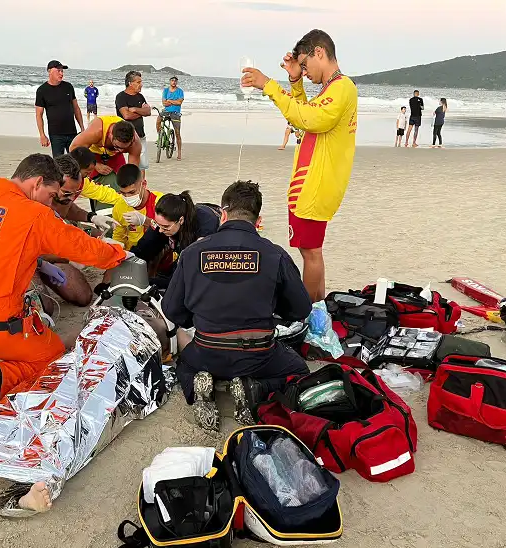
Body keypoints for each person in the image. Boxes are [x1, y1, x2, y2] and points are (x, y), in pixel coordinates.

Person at [0, 154, 126, 428]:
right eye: (51, 195)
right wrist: (117, 253)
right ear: (37, 183)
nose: (51, 203)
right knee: (51, 355)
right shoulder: (33, 215)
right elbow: (84, 249)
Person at [162, 181, 312, 431]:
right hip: (259, 355)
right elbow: (300, 309)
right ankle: (256, 387)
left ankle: (197, 386)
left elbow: (172, 310)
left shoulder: (192, 253)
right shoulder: (274, 254)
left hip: (208, 351)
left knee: (185, 365)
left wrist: (194, 318)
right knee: (298, 371)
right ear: (258, 219)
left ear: (222, 214)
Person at [241, 28, 358, 302]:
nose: (305, 71)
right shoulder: (332, 89)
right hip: (312, 181)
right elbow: (304, 119)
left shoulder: (342, 87)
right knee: (312, 250)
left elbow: (307, 119)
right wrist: (294, 81)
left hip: (316, 184)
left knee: (311, 252)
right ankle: (319, 309)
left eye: (305, 65)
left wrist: (268, 84)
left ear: (320, 52)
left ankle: (308, 313)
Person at [46, 153, 121, 306]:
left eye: (75, 193)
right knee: (51, 306)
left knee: (102, 238)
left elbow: (68, 206)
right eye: (67, 193)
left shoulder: (67, 192)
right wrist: (68, 257)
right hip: (41, 254)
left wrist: (92, 217)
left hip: (60, 236)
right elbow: (28, 250)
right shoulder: (34, 203)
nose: (71, 197)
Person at [130, 191, 221, 289]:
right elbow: (143, 247)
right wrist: (128, 258)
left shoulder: (205, 226)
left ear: (181, 220)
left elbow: (185, 274)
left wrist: (148, 283)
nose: (160, 230)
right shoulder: (164, 223)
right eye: (158, 224)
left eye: (165, 227)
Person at [68, 116, 142, 193]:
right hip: (92, 154)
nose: (121, 150)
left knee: (123, 183)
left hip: (115, 155)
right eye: (117, 146)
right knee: (93, 185)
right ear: (111, 135)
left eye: (125, 148)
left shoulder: (135, 144)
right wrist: (96, 164)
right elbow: (74, 149)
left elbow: (132, 170)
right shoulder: (96, 131)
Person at [35, 60, 84, 157]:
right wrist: (42, 135)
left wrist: (82, 128)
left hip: (72, 132)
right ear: (49, 71)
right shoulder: (42, 90)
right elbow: (39, 115)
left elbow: (76, 108)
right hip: (56, 134)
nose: (61, 73)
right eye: (58, 70)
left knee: (76, 161)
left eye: (62, 71)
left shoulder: (68, 87)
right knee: (58, 162)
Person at [111, 164, 164, 249]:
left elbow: (169, 232)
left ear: (144, 184)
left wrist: (145, 221)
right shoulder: (119, 207)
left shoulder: (160, 202)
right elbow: (119, 237)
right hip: (133, 254)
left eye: (132, 192)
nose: (127, 197)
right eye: (123, 193)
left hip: (160, 252)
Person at [115, 71, 151, 172]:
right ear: (130, 83)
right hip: (124, 136)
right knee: (123, 165)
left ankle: (141, 186)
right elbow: (126, 115)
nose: (141, 85)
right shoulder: (121, 97)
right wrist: (141, 112)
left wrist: (135, 109)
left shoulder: (140, 96)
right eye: (138, 82)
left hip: (140, 135)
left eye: (141, 82)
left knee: (142, 166)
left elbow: (148, 111)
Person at [156, 76, 184, 160]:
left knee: (177, 133)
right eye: (172, 80)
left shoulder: (180, 91)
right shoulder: (166, 90)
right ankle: (160, 137)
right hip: (166, 111)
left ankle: (179, 153)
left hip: (176, 113)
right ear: (170, 82)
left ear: (177, 82)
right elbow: (164, 103)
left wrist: (170, 101)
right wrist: (172, 102)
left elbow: (179, 103)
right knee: (158, 120)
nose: (174, 82)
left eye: (175, 81)